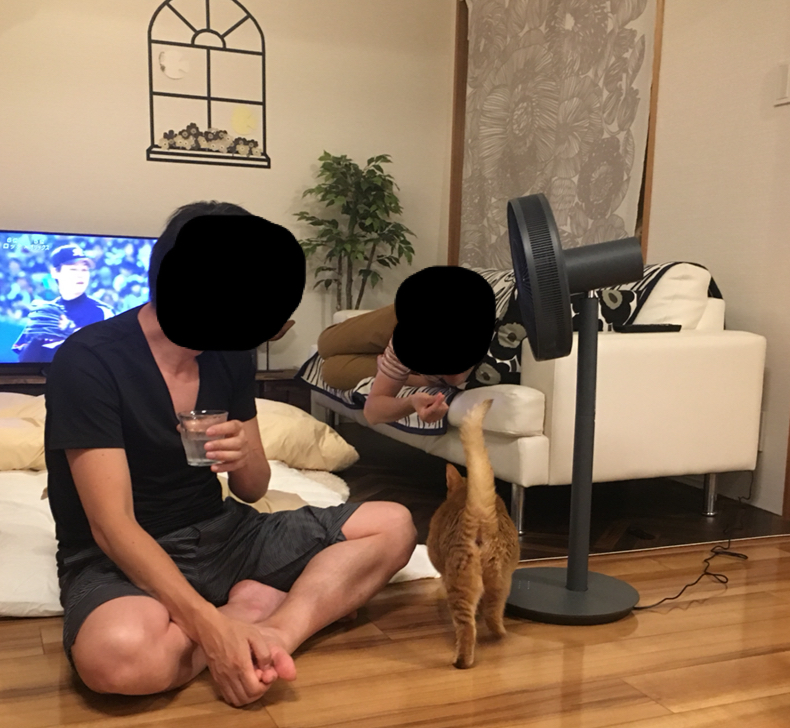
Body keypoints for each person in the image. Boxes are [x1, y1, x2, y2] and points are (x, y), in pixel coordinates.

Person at [45, 201, 417, 708]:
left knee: (393, 524)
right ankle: (250, 610)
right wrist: (215, 629)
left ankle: (277, 633)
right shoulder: (89, 360)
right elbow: (113, 527)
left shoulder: (231, 354)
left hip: (223, 533)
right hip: (122, 554)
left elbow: (253, 489)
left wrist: (243, 454)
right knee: (117, 655)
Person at [317, 267, 496, 426]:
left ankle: (393, 367)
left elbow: (374, 408)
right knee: (326, 343)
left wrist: (411, 401)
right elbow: (373, 413)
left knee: (331, 371)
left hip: (415, 367)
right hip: (404, 321)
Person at [12, 244, 115, 363]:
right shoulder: (45, 313)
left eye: (84, 270)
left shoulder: (103, 312)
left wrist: (72, 331)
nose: (80, 274)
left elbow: (111, 359)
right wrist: (37, 339)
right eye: (73, 269)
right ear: (55, 272)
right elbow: (24, 362)